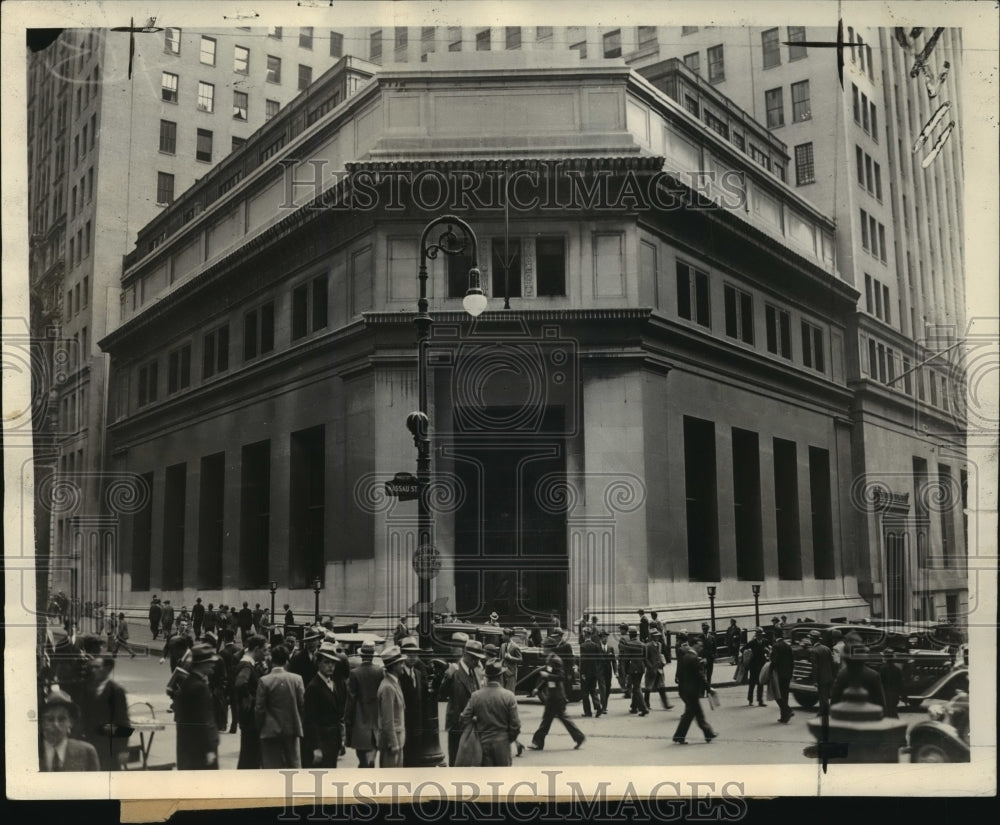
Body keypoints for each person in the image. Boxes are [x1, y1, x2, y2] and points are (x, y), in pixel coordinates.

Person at [459, 659, 522, 766]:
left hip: (483, 743)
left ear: (486, 677)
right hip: (502, 743)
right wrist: (508, 739)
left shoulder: (476, 696)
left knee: (486, 777)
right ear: (500, 676)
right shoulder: (509, 696)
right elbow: (515, 725)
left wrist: (475, 727)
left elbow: (464, 718)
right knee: (503, 778)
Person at [77, 654, 132, 770]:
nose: (93, 670)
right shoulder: (87, 688)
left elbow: (123, 720)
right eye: (92, 667)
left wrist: (123, 749)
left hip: (109, 746)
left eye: (97, 667)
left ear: (107, 669)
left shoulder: (116, 691)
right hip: (90, 742)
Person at [255, 644, 305, 768]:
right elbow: (302, 704)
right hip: (292, 728)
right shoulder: (297, 679)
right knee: (293, 765)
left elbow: (259, 709)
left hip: (270, 729)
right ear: (287, 660)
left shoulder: (264, 680)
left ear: (272, 659)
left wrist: (259, 726)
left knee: (272, 767)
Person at [438, 639, 486, 766]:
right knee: (456, 761)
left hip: (473, 725)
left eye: (478, 658)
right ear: (465, 655)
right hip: (457, 725)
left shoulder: (475, 671)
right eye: (474, 658)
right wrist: (447, 677)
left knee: (471, 761)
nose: (477, 661)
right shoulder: (454, 672)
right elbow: (441, 694)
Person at [175, 644, 221, 770]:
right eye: (211, 662)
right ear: (203, 664)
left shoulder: (188, 682)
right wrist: (209, 749)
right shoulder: (199, 687)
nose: (213, 665)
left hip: (189, 746)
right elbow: (203, 720)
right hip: (200, 749)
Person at [528, 654, 585, 751]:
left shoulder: (556, 660)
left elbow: (561, 676)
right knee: (549, 720)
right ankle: (578, 737)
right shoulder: (550, 659)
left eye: (546, 647)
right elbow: (547, 679)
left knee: (551, 720)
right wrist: (538, 689)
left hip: (557, 697)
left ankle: (538, 742)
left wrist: (548, 675)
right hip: (553, 697)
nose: (544, 649)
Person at [304, 642, 348, 768]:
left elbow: (338, 716)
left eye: (333, 663)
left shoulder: (334, 684)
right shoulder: (313, 687)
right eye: (327, 662)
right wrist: (316, 747)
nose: (330, 666)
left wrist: (340, 742)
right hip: (320, 743)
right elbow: (310, 720)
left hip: (332, 742)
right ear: (318, 663)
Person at [39, 688, 100, 771]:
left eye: (62, 719)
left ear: (70, 723)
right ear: (42, 723)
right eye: (50, 719)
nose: (56, 725)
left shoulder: (87, 752)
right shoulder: (31, 752)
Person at [672, 641, 718, 744]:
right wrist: (708, 688)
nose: (701, 647)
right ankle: (707, 733)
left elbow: (682, 673)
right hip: (692, 691)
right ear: (694, 645)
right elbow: (700, 675)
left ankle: (706, 733)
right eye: (700, 645)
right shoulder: (693, 658)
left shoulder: (686, 656)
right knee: (696, 714)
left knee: (692, 714)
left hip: (687, 689)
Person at [346, 642, 383, 768]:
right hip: (376, 716)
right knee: (374, 745)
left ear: (361, 655)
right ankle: (370, 760)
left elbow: (351, 698)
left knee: (361, 752)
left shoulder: (355, 673)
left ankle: (364, 763)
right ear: (373, 655)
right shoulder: (379, 671)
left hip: (360, 716)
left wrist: (348, 719)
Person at [234, 635, 268, 769]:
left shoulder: (247, 664)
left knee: (248, 756)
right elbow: (240, 683)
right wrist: (252, 700)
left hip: (247, 720)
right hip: (251, 720)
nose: (266, 653)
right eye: (264, 650)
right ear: (256, 649)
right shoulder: (247, 666)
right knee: (251, 757)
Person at [397, 637, 428, 768]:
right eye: (409, 654)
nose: (412, 657)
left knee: (416, 756)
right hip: (404, 722)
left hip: (417, 723)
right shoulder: (399, 674)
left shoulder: (418, 673)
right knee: (405, 757)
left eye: (415, 654)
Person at [375, 646, 407, 768]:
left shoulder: (393, 682)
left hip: (397, 739)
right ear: (394, 666)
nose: (403, 665)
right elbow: (387, 720)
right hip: (392, 742)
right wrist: (393, 743)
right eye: (401, 663)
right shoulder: (388, 687)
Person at [643, 628, 673, 710]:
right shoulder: (647, 646)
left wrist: (663, 662)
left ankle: (666, 704)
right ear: (652, 637)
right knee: (648, 688)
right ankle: (646, 704)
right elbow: (645, 658)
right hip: (651, 669)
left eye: (658, 636)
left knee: (661, 686)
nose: (657, 637)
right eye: (655, 636)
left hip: (659, 668)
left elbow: (660, 654)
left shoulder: (659, 645)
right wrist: (649, 667)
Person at [769, 632, 795, 724]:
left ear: (775, 635)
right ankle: (784, 717)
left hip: (778, 674)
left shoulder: (775, 646)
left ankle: (787, 710)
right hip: (787, 674)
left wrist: (770, 671)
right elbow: (792, 661)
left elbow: (774, 660)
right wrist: (791, 673)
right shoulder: (787, 646)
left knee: (778, 695)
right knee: (785, 694)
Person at [622, 626, 648, 715]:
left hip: (633, 668)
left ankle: (643, 708)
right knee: (636, 686)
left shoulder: (629, 644)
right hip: (641, 668)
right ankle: (634, 707)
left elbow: (626, 659)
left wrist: (625, 671)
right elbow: (645, 657)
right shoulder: (642, 644)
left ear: (630, 635)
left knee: (636, 688)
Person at [809, 630, 835, 716]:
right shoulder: (827, 648)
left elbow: (815, 667)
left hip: (821, 677)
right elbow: (832, 663)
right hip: (829, 675)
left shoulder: (814, 650)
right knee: (826, 695)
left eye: (810, 638)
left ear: (812, 639)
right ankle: (824, 711)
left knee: (822, 696)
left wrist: (815, 680)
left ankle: (823, 712)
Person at [578, 627, 603, 717]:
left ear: (585, 635)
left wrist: (583, 673)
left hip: (586, 673)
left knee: (585, 693)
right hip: (594, 672)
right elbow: (599, 659)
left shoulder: (583, 646)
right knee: (593, 691)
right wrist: (597, 670)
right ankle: (598, 707)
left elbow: (583, 661)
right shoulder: (596, 645)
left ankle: (587, 712)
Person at [745, 628, 769, 707]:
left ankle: (760, 701)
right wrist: (749, 654)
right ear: (756, 635)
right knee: (752, 683)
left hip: (762, 666)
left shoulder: (765, 641)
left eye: (761, 635)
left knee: (761, 683)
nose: (760, 636)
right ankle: (750, 700)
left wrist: (767, 650)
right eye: (759, 635)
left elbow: (769, 650)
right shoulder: (752, 642)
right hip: (753, 666)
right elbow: (743, 649)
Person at [878, 650, 904, 718]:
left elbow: (880, 683)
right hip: (894, 695)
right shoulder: (897, 669)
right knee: (893, 712)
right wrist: (903, 695)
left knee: (886, 713)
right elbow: (900, 684)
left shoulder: (882, 669)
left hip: (885, 694)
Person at [595, 630, 616, 714]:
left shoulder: (611, 648)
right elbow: (595, 660)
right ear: (600, 638)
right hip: (600, 672)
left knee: (608, 688)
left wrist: (616, 671)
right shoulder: (597, 647)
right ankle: (603, 707)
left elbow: (613, 661)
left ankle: (604, 704)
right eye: (603, 637)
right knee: (602, 688)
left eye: (606, 637)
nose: (605, 639)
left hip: (608, 672)